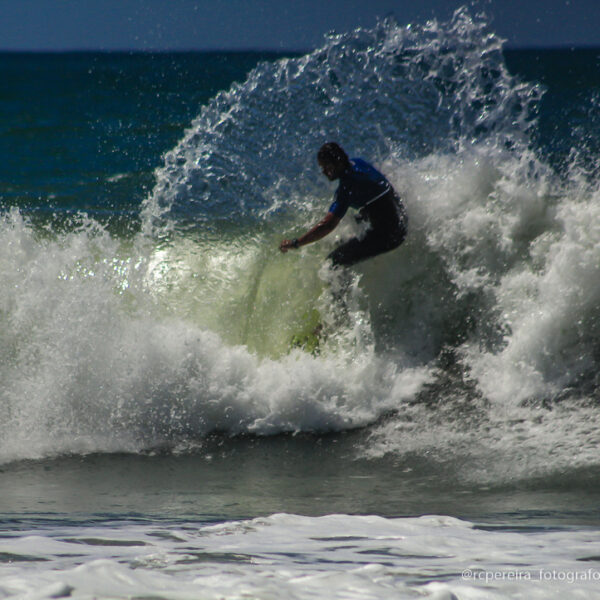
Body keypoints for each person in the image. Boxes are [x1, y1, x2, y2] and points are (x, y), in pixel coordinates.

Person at [279, 142, 408, 267]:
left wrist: (297, 242)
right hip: (401, 219)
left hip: (391, 236)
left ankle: (347, 289)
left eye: (327, 167)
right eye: (322, 168)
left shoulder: (347, 188)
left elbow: (327, 225)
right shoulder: (358, 162)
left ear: (339, 162)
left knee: (332, 263)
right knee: (345, 236)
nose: (324, 172)